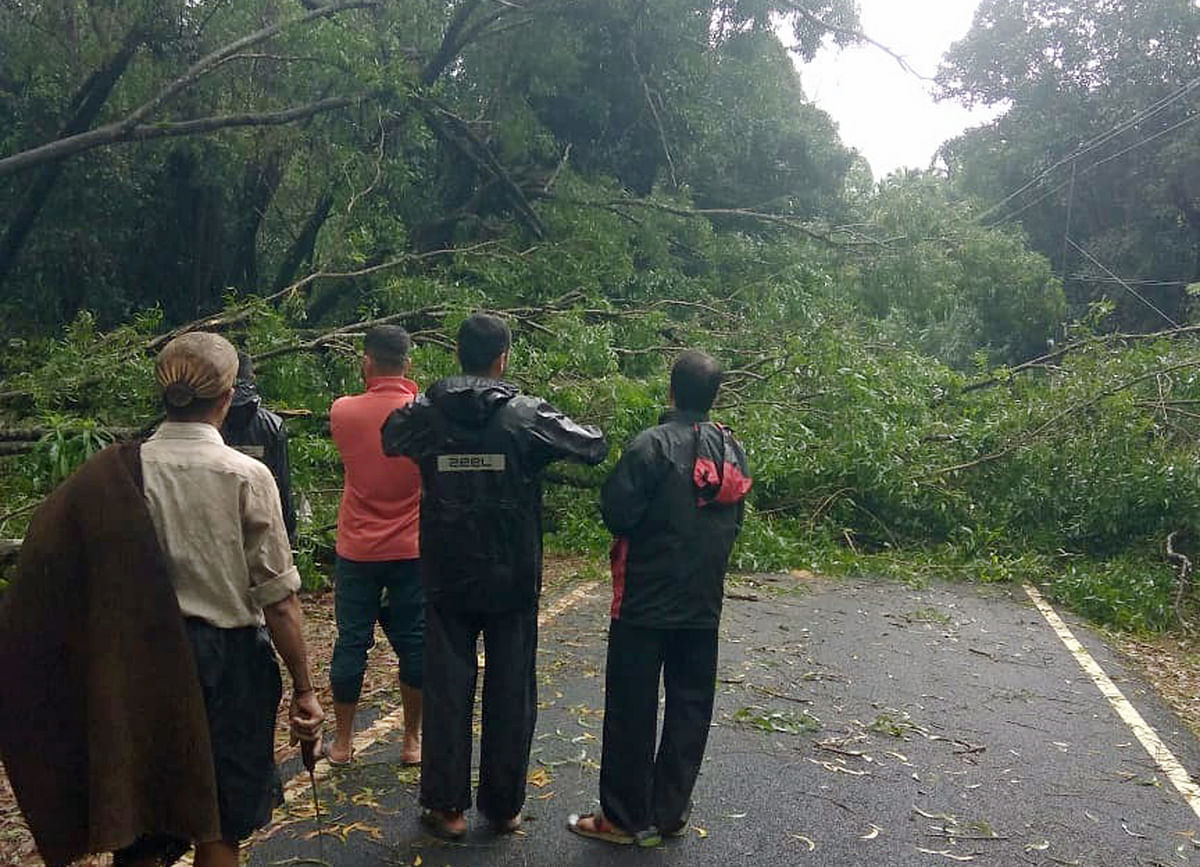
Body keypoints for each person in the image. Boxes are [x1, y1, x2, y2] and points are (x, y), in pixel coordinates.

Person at [0, 332, 324, 867]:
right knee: (218, 824)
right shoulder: (245, 476)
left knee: (146, 816)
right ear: (227, 398)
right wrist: (305, 688)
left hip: (140, 665)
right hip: (229, 665)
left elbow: (55, 563)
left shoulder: (116, 472)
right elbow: (280, 601)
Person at [382, 313, 608, 839]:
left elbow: (390, 438)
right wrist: (533, 455)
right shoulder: (526, 415)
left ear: (459, 353)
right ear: (502, 357)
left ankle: (448, 808)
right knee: (511, 689)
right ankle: (503, 808)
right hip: (511, 572)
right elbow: (591, 445)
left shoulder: (424, 413)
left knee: (446, 687)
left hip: (446, 570)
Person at [568, 349, 751, 848]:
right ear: (714, 397)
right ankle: (669, 812)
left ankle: (622, 818)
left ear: (671, 391)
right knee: (690, 706)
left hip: (643, 601)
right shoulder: (731, 450)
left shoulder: (650, 446)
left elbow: (618, 513)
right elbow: (734, 522)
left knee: (632, 706)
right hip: (702, 603)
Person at [327, 325, 425, 766]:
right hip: (411, 548)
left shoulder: (343, 411)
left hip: (357, 549)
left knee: (351, 641)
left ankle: (343, 742)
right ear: (407, 363)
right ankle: (411, 742)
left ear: (367, 361)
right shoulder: (422, 414)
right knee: (416, 642)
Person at [220, 351, 297, 544]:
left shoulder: (210, 421)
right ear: (252, 378)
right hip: (263, 523)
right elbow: (283, 482)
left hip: (219, 524)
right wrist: (289, 531)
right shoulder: (272, 424)